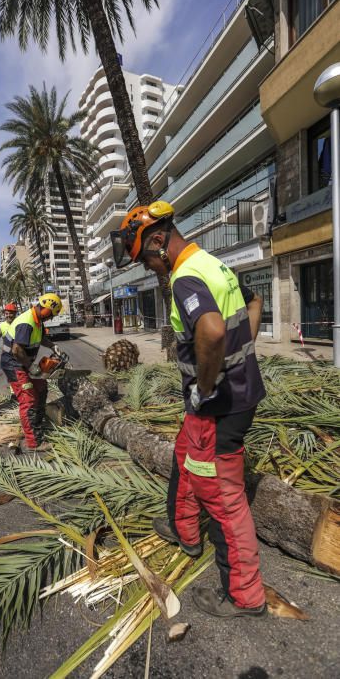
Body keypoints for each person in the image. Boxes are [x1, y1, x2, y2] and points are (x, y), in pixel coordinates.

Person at [111, 201, 267, 619]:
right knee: (185, 458)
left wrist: (205, 384)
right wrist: (243, 355)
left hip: (218, 405)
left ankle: (244, 596)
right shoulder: (214, 265)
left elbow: (212, 331)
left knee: (222, 498)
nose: (150, 269)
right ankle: (184, 531)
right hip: (231, 397)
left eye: (147, 259)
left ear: (158, 241)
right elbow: (255, 302)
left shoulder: (185, 277)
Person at [0, 293, 63, 449]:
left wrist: (52, 346)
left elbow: (41, 338)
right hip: (14, 364)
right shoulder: (26, 322)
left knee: (41, 388)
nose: (50, 318)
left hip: (24, 363)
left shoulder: (38, 321)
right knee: (28, 400)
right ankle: (34, 442)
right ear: (45, 308)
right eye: (51, 314)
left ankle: (37, 423)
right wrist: (30, 367)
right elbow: (16, 350)